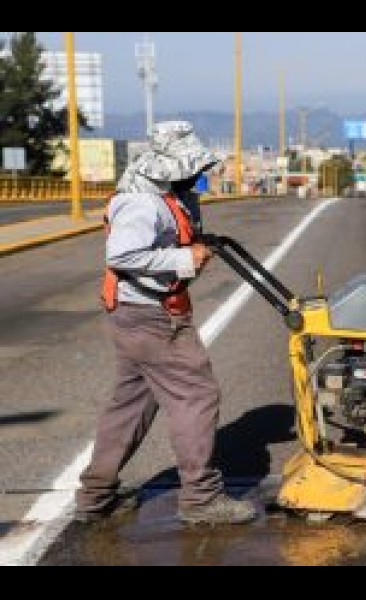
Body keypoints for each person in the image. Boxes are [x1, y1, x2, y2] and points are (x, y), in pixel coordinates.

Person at [74, 121, 257, 525]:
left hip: (135, 314)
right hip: (151, 317)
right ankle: (201, 499)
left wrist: (196, 244)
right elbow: (121, 255)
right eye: (192, 168)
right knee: (196, 395)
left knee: (130, 403)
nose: (196, 176)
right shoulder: (143, 203)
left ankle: (95, 495)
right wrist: (182, 259)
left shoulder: (166, 195)